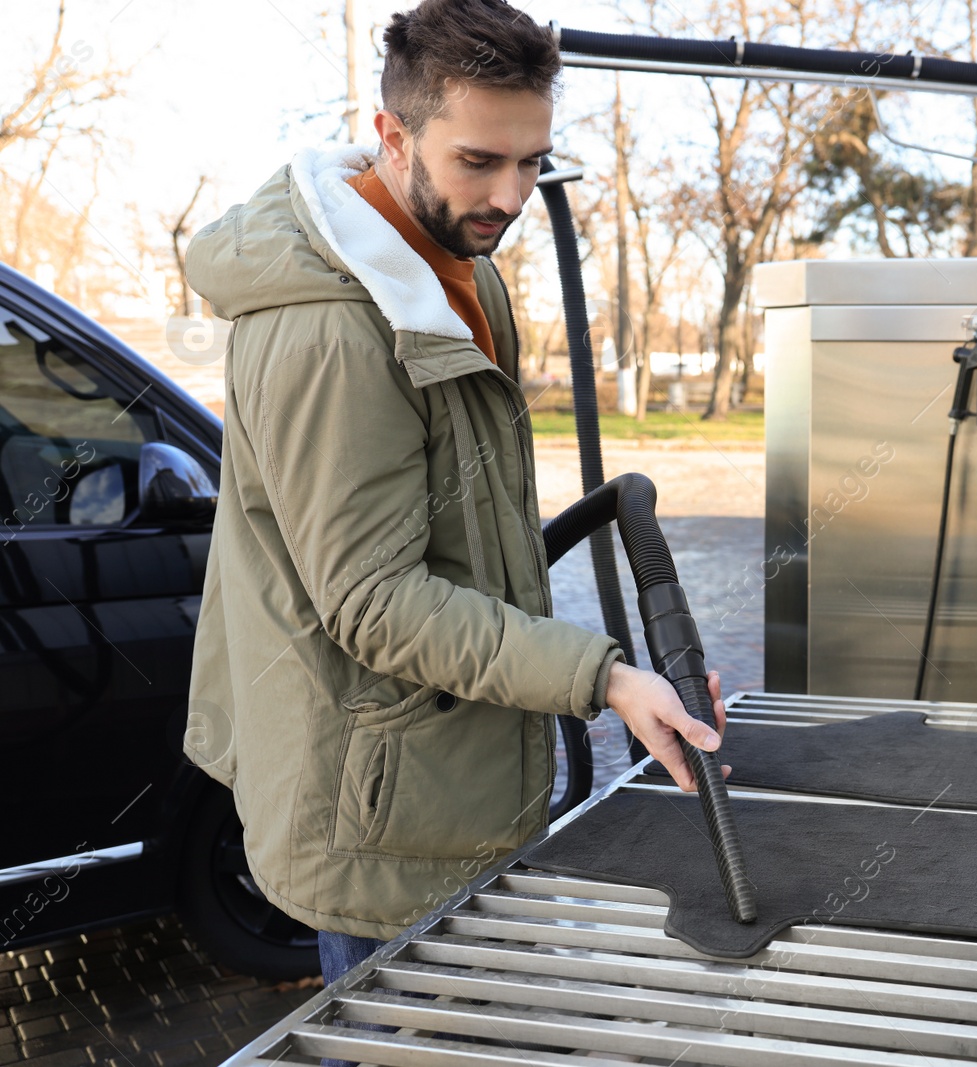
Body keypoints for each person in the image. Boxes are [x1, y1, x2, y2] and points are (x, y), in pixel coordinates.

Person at [180, 2, 729, 1060]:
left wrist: (624, 667)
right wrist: (606, 676)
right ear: (392, 136)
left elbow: (466, 526)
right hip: (380, 801)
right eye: (480, 160)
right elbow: (375, 601)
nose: (512, 196)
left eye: (532, 162)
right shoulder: (333, 331)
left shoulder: (453, 264)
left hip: (448, 770)